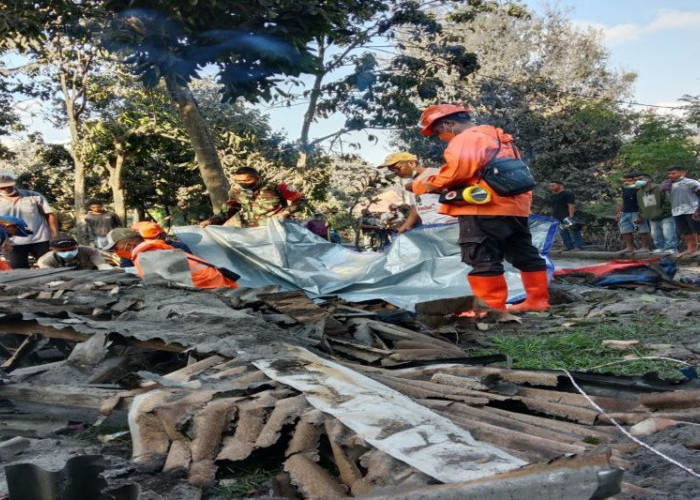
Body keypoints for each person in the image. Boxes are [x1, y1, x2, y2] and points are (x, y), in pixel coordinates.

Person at [409, 104, 549, 313]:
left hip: (482, 209)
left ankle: (489, 310)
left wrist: (422, 185)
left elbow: (456, 172)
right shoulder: (500, 138)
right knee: (525, 254)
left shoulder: (466, 138)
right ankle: (538, 302)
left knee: (483, 258)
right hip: (515, 208)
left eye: (439, 131)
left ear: (449, 123)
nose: (441, 137)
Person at [103, 228, 239, 289]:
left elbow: (168, 286)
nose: (116, 253)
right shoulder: (152, 250)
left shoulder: (148, 254)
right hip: (216, 284)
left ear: (128, 245)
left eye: (116, 248)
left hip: (217, 288)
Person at [200, 167, 307, 228]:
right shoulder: (236, 191)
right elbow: (229, 210)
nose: (242, 184)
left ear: (258, 178)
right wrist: (211, 221)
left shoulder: (277, 187)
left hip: (279, 229)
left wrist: (286, 212)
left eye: (246, 181)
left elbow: (301, 200)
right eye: (238, 181)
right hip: (254, 231)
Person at [378, 152, 456, 232]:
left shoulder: (436, 173)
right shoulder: (411, 182)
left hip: (451, 225)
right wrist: (405, 227)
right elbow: (415, 207)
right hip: (430, 228)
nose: (396, 173)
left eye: (396, 168)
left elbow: (453, 195)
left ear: (411, 163)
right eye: (392, 171)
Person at [0, 171, 59, 269]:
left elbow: (49, 215)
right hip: (12, 244)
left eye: (8, 186)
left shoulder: (34, 196)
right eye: (2, 187)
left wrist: (55, 236)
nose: (6, 189)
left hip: (40, 240)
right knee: (19, 274)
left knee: (50, 268)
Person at [634, 174, 677, 254]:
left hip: (666, 216)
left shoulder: (660, 188)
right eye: (636, 180)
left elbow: (667, 201)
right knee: (656, 236)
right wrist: (641, 215)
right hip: (652, 217)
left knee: (668, 234)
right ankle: (660, 248)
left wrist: (662, 211)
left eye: (640, 179)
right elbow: (640, 205)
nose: (638, 181)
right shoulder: (639, 192)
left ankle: (671, 248)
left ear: (649, 179)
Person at [666, 165, 700, 257]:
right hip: (677, 210)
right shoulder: (668, 185)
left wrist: (698, 210)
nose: (670, 175)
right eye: (669, 174)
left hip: (692, 209)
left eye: (673, 173)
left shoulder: (691, 182)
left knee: (698, 229)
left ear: (682, 173)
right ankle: (690, 249)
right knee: (685, 231)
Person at [616, 173, 651, 254]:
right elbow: (623, 201)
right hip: (625, 212)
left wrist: (641, 214)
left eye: (630, 180)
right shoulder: (625, 188)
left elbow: (645, 202)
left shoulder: (641, 189)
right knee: (625, 230)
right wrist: (619, 212)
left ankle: (645, 247)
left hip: (637, 211)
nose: (627, 182)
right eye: (625, 180)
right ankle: (629, 247)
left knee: (642, 229)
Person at [37, 234, 113, 270]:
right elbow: (50, 276)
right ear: (52, 249)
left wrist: (107, 268)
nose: (68, 252)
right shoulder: (45, 261)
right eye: (63, 251)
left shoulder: (89, 251)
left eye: (71, 249)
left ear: (77, 245)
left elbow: (102, 265)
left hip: (91, 275)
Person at [547, 180, 584, 251]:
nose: (551, 187)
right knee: (563, 232)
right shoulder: (553, 196)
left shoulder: (567, 194)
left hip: (567, 216)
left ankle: (578, 246)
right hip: (557, 217)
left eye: (553, 186)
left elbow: (571, 205)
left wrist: (571, 216)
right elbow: (554, 207)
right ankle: (568, 246)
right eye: (550, 186)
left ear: (560, 186)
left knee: (574, 230)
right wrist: (553, 217)